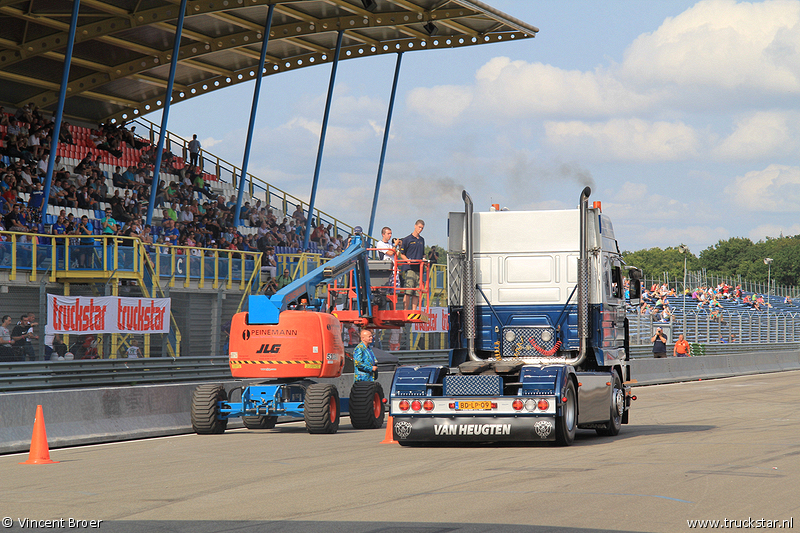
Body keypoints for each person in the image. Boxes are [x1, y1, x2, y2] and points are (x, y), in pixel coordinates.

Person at [399, 219, 425, 310]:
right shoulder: (407, 239)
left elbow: (423, 253)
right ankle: (405, 309)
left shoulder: (422, 240)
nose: (420, 229)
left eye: (422, 228)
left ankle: (414, 310)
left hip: (419, 269)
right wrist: (408, 261)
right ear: (415, 226)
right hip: (409, 268)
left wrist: (424, 259)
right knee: (408, 291)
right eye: (419, 227)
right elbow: (402, 254)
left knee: (417, 291)